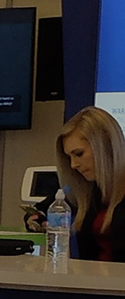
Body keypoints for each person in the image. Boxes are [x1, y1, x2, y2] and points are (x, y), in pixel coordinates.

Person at [44, 106, 125, 260]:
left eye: (79, 154)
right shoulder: (90, 191)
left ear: (105, 146)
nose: (73, 165)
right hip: (92, 274)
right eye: (69, 157)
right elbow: (48, 206)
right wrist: (36, 217)